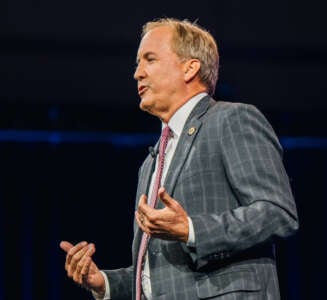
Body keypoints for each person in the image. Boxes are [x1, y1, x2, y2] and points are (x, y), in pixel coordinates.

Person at [60, 17, 299, 300]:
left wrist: (192, 229)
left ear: (190, 67)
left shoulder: (231, 120)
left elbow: (277, 213)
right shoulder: (151, 163)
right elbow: (159, 277)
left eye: (150, 59)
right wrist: (103, 283)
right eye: (137, 63)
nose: (138, 73)